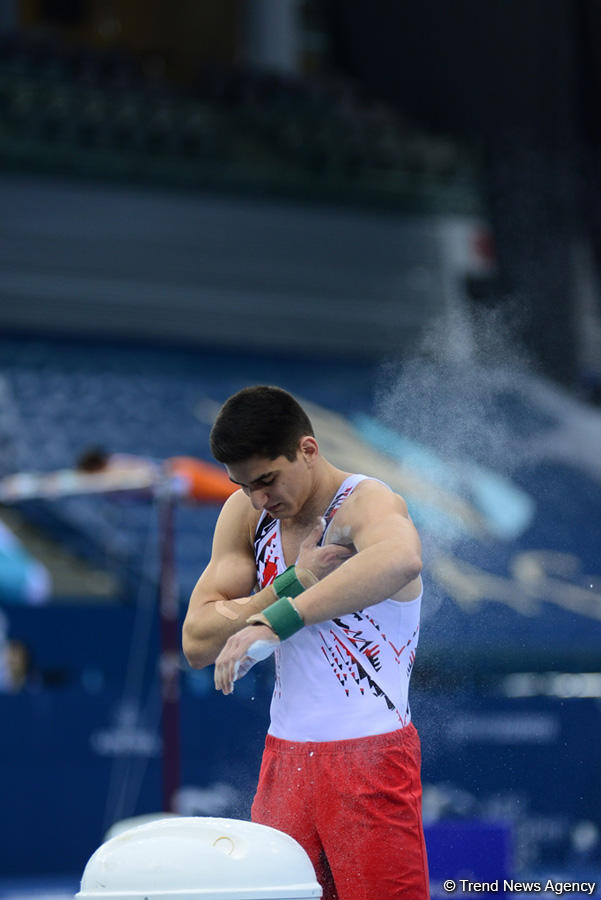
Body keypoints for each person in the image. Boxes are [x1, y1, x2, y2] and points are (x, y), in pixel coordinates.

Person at [182, 385, 429, 900]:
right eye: (244, 485)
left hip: (370, 758)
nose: (258, 499)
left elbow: (401, 560)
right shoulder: (248, 517)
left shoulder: (366, 503)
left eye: (267, 480)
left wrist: (279, 619)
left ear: (307, 450)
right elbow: (196, 642)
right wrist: (286, 585)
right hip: (285, 763)